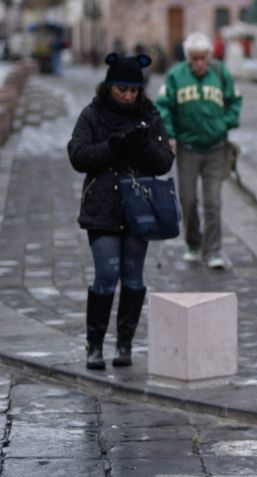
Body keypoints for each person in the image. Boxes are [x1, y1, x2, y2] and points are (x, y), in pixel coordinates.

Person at [68, 53, 175, 370]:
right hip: (102, 206)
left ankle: (125, 344)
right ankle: (95, 345)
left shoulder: (149, 115)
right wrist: (112, 147)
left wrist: (141, 146)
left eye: (133, 90)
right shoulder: (93, 115)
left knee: (133, 276)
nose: (128, 96)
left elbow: (165, 161)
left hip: (139, 208)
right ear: (110, 86)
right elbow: (77, 155)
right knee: (106, 274)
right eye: (122, 89)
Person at [156, 32, 243, 269]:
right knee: (189, 199)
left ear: (209, 56)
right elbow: (163, 106)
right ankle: (193, 243)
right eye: (194, 59)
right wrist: (170, 135)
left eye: (203, 58)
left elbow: (235, 100)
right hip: (188, 148)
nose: (199, 63)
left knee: (213, 201)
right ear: (188, 58)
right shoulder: (175, 76)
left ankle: (213, 250)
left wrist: (225, 123)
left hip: (216, 148)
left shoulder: (220, 73)